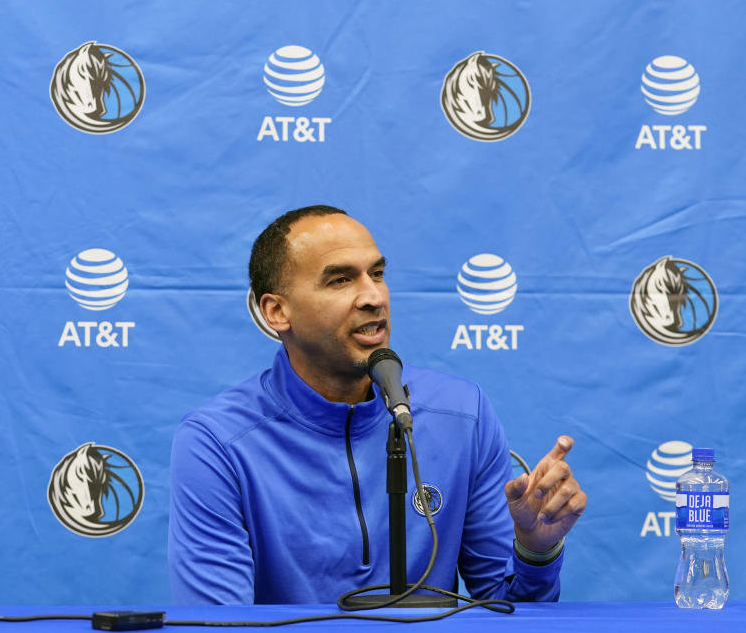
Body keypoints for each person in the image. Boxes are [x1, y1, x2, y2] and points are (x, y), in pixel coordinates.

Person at [168, 205, 587, 604]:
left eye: (378, 274)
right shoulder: (217, 442)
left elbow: (509, 612)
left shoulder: (462, 413)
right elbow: (220, 626)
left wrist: (535, 550)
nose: (374, 297)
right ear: (277, 312)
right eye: (340, 280)